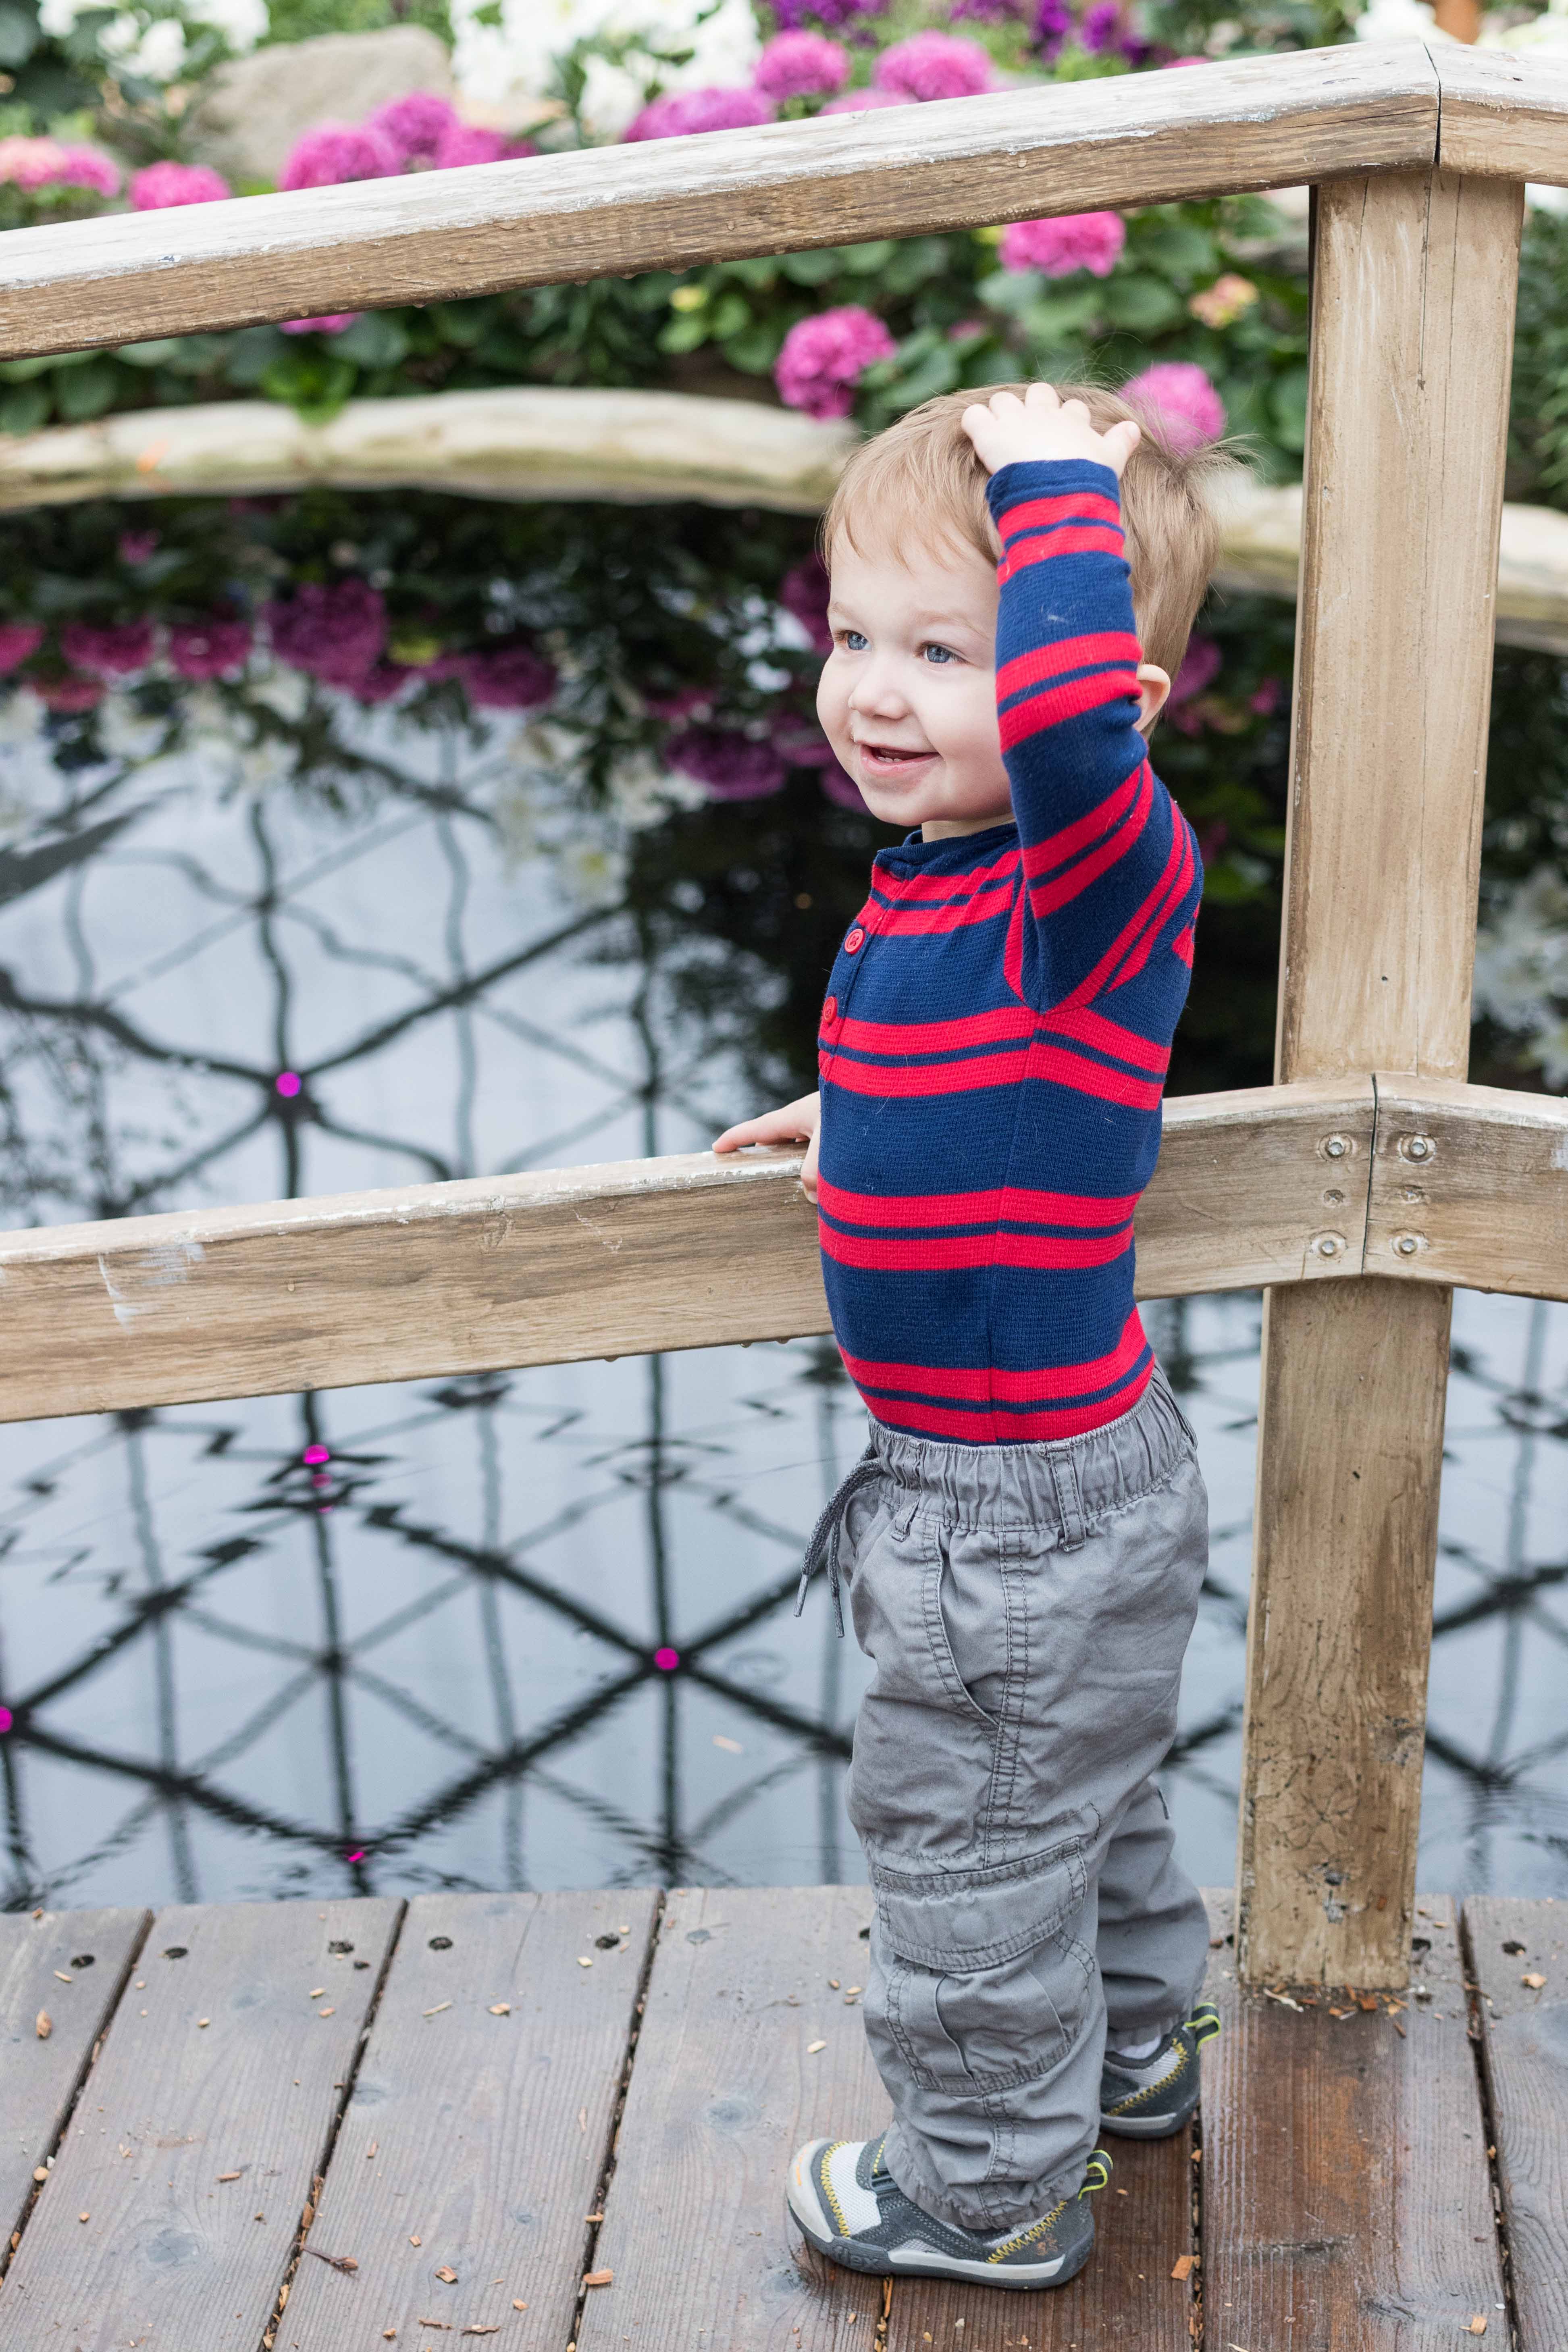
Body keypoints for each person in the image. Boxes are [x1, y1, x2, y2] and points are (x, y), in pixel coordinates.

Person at [713, 381, 1222, 2291]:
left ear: (1107, 698)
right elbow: (1005, 1077)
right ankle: (1138, 2053)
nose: (874, 690)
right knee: (1076, 1801)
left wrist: (1055, 482)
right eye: (856, 635)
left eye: (949, 651)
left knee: (969, 1856)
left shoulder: (1102, 866)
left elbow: (1076, 725)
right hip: (1057, 1482)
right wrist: (856, 1110)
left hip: (1001, 1513)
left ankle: (991, 2186)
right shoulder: (959, 884)